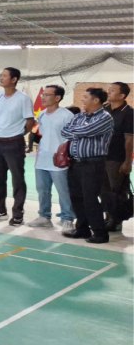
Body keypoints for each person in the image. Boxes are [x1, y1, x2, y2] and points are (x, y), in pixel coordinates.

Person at [61, 88, 115, 243]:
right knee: (76, 197)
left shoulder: (105, 117)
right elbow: (64, 131)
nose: (82, 99)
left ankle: (100, 233)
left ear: (96, 100)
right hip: (75, 163)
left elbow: (87, 130)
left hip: (93, 164)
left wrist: (76, 131)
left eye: (85, 97)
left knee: (90, 198)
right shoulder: (79, 116)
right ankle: (82, 229)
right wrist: (78, 131)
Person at [0, 67, 34, 225]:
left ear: (14, 80)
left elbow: (29, 121)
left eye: (4, 76)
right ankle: (0, 209)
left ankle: (18, 213)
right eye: (1, 75)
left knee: (17, 179)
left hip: (14, 143)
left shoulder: (23, 99)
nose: (1, 78)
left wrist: (18, 134)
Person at [27, 85, 76, 230]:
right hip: (42, 159)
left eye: (47, 95)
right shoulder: (41, 114)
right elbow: (41, 135)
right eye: (43, 94)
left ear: (57, 98)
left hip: (59, 161)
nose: (43, 97)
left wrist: (67, 155)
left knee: (63, 191)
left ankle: (67, 218)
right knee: (42, 190)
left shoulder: (67, 115)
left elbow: (73, 137)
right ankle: (44, 216)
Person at [102, 82, 132, 232]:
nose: (109, 92)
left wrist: (128, 161)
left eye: (112, 90)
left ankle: (116, 220)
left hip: (116, 158)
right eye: (109, 89)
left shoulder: (129, 113)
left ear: (122, 96)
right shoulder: (104, 109)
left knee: (116, 191)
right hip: (101, 156)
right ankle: (108, 217)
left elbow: (129, 139)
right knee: (104, 190)